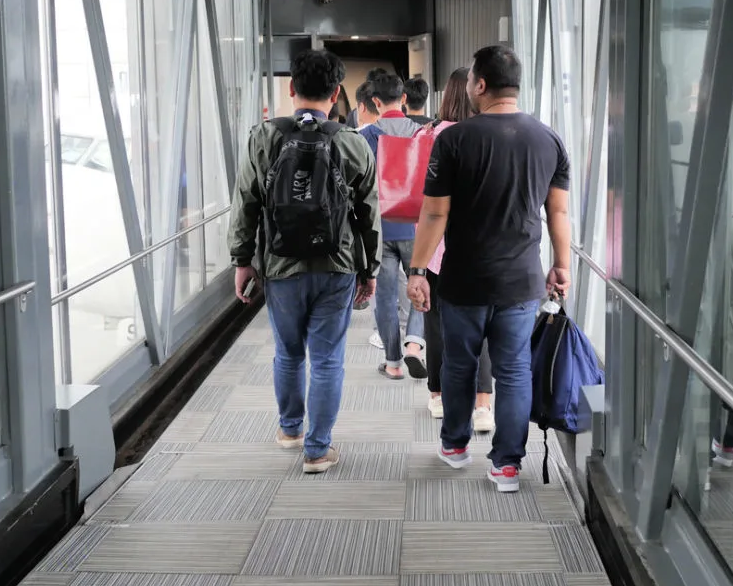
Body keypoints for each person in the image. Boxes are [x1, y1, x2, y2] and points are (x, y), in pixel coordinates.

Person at [408, 45, 572, 493]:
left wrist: (418, 270)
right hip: (521, 280)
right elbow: (557, 212)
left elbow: (435, 213)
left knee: (459, 365)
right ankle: (507, 466)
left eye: (470, 81)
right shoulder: (549, 139)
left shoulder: (454, 140)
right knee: (514, 370)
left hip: (463, 278)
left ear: (480, 84)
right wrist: (561, 264)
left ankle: (455, 446)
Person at [229, 49, 381, 474]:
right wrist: (369, 270)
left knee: (288, 353)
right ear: (336, 94)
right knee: (327, 359)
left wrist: (242, 260)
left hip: (281, 266)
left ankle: (290, 430)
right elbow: (370, 213)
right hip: (337, 265)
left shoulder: (264, 137)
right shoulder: (352, 142)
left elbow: (245, 203)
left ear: (292, 88)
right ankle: (317, 450)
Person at [422, 68, 495, 432]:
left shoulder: (430, 135)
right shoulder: (489, 136)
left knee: (435, 322)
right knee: (481, 326)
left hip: (436, 247)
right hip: (481, 247)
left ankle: (437, 396)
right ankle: (482, 405)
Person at [360, 73, 427, 380]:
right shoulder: (423, 133)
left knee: (385, 297)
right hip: (417, 227)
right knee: (419, 286)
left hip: (380, 228)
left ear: (375, 101)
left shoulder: (365, 137)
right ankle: (414, 344)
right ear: (403, 99)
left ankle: (393, 364)